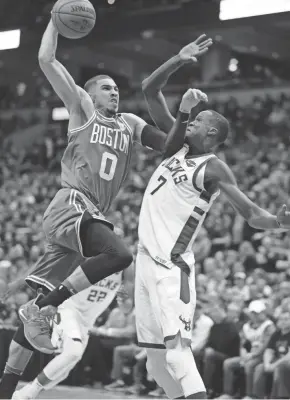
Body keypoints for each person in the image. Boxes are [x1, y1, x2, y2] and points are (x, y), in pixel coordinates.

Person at [15, 13, 214, 357]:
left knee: (53, 290)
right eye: (107, 88)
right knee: (119, 254)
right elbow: (46, 59)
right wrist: (54, 19)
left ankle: (22, 350)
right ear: (91, 93)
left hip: (89, 214)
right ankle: (44, 307)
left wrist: (182, 111)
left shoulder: (130, 123)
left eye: (117, 89)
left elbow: (168, 146)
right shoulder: (83, 110)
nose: (114, 92)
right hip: (72, 204)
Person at [134, 40, 290, 399]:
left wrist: (280, 223)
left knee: (177, 354)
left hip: (171, 267)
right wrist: (177, 59)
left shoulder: (213, 167)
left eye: (198, 121)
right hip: (144, 261)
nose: (188, 122)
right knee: (155, 365)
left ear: (212, 135)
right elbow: (149, 89)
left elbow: (251, 215)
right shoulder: (176, 146)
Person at [3, 270, 126, 400]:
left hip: (87, 320)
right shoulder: (93, 252)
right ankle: (27, 393)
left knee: (64, 372)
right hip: (69, 308)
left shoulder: (126, 263)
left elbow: (127, 291)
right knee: (74, 352)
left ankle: (28, 391)